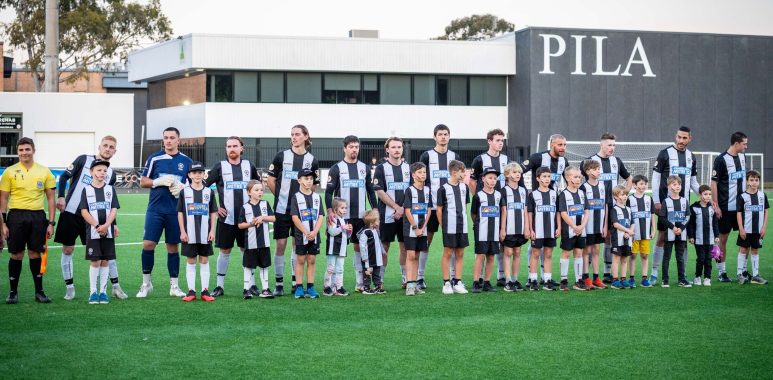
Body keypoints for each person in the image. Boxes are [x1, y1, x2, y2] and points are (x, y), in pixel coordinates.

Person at [55, 136, 127, 300]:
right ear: (99, 147)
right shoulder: (83, 160)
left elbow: (110, 202)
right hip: (72, 213)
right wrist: (60, 197)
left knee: (105, 253)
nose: (107, 149)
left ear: (114, 151)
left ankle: (115, 287)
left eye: (111, 147)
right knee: (67, 249)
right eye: (105, 145)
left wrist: (113, 224)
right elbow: (64, 177)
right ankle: (70, 288)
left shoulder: (111, 174)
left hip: (96, 220)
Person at [136, 127, 192, 298]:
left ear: (178, 140)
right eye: (165, 137)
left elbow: (193, 186)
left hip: (176, 211)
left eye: (171, 137)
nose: (168, 140)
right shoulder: (154, 158)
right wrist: (158, 181)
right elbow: (143, 181)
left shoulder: (187, 161)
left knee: (173, 247)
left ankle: (174, 286)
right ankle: (146, 283)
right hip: (155, 209)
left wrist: (183, 188)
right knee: (148, 244)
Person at [1, 137, 57, 304]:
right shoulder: (9, 172)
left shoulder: (45, 171)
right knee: (16, 254)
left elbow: (51, 199)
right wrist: (3, 223)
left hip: (37, 217)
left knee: (35, 253)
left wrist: (51, 223)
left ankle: (39, 292)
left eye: (27, 149)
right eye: (21, 150)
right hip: (16, 217)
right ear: (17, 152)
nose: (24, 153)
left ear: (33, 150)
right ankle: (12, 292)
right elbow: (3, 199)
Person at [266, 125, 319, 296]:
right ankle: (279, 283)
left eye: (297, 134)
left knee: (298, 246)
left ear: (305, 137)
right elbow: (271, 181)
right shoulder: (281, 156)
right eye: (292, 135)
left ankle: (296, 282)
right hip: (282, 210)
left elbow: (314, 186)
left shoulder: (312, 160)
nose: (294, 137)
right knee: (281, 245)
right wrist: (281, 197)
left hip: (302, 212)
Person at [205, 136, 259, 297]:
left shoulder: (249, 166)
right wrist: (215, 207)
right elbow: (205, 188)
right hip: (226, 218)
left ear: (242, 148)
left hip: (247, 219)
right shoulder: (219, 167)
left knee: (247, 250)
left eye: (235, 146)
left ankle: (251, 285)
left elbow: (257, 188)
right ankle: (220, 286)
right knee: (225, 250)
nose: (232, 149)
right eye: (229, 146)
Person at [325, 135, 377, 292]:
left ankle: (360, 283)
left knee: (359, 248)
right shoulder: (336, 168)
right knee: (336, 250)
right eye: (351, 147)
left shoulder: (364, 168)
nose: (354, 149)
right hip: (341, 217)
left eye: (356, 147)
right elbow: (328, 192)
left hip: (360, 216)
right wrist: (329, 210)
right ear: (345, 148)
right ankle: (332, 284)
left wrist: (374, 209)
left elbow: (370, 191)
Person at [650, 126, 700, 285]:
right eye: (679, 137)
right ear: (675, 136)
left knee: (683, 240)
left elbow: (693, 182)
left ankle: (682, 275)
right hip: (666, 205)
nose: (681, 140)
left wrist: (703, 195)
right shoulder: (665, 153)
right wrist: (657, 200)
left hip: (683, 206)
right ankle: (654, 272)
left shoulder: (691, 156)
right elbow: (656, 179)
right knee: (662, 238)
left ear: (689, 139)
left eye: (685, 138)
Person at [580, 133, 632, 283]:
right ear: (601, 145)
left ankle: (607, 272)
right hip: (595, 207)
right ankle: (586, 273)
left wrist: (623, 194)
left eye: (614, 145)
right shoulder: (590, 161)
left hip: (613, 207)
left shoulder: (617, 161)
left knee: (610, 237)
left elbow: (628, 178)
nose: (612, 148)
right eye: (609, 145)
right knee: (592, 239)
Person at [522, 134, 569, 283]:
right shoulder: (537, 157)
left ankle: (545, 277)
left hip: (552, 205)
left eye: (564, 145)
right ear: (552, 145)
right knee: (535, 244)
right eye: (560, 145)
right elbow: (519, 171)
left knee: (547, 246)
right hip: (537, 206)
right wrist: (525, 190)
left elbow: (569, 178)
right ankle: (532, 277)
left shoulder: (564, 161)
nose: (563, 148)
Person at [417, 124, 459, 289]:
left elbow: (459, 180)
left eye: (446, 134)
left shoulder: (454, 156)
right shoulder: (427, 155)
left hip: (451, 208)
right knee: (426, 241)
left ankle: (455, 277)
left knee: (453, 243)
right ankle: (420, 277)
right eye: (440, 134)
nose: (443, 137)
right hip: (432, 207)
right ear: (434, 137)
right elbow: (420, 178)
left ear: (449, 136)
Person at [470, 129, 510, 286]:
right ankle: (478, 278)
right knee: (481, 246)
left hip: (500, 205)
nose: (500, 143)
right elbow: (472, 181)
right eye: (497, 140)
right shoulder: (480, 159)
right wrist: (480, 198)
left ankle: (499, 276)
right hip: (485, 208)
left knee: (500, 241)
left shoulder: (506, 159)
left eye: (502, 140)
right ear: (489, 141)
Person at [78, 160, 119, 304]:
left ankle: (103, 292)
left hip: (107, 231)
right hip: (93, 232)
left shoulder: (110, 189)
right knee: (95, 261)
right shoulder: (86, 190)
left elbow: (114, 209)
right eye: (99, 170)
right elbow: (84, 211)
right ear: (91, 172)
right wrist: (97, 226)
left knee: (105, 260)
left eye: (104, 171)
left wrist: (107, 225)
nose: (102, 173)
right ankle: (93, 292)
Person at [177, 162, 217, 302]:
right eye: (194, 173)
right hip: (189, 234)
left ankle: (205, 290)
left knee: (204, 260)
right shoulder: (184, 192)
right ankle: (191, 291)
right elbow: (180, 213)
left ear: (203, 174)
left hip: (205, 233)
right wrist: (182, 231)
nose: (197, 175)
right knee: (191, 260)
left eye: (200, 172)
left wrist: (212, 230)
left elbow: (213, 212)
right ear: (189, 175)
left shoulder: (209, 192)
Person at [373, 137, 410, 288]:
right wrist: (397, 207)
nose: (397, 150)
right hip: (387, 214)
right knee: (384, 247)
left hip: (405, 215)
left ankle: (405, 277)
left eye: (399, 147)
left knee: (405, 247)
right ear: (387, 150)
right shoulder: (381, 168)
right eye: (393, 147)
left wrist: (402, 209)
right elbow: (380, 192)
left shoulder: (408, 168)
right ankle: (380, 279)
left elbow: (412, 191)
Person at [711, 131, 748, 282]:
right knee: (721, 240)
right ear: (736, 143)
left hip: (742, 208)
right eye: (744, 143)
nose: (746, 146)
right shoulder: (721, 160)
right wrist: (716, 205)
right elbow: (714, 183)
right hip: (725, 208)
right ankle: (721, 272)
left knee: (746, 238)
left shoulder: (742, 157)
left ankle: (743, 272)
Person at [237, 180, 276, 299]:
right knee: (249, 266)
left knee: (264, 266)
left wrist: (263, 218)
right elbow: (240, 225)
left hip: (264, 242)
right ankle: (246, 290)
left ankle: (265, 289)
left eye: (261, 190)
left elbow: (274, 218)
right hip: (251, 243)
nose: (260, 192)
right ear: (249, 192)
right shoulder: (245, 207)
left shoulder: (265, 204)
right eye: (256, 190)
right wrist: (251, 223)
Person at [436, 160, 470, 295]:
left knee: (460, 253)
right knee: (448, 253)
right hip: (449, 226)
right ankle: (446, 282)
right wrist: (443, 225)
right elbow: (439, 210)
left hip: (462, 226)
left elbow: (464, 206)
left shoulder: (465, 187)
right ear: (454, 172)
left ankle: (457, 281)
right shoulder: (443, 188)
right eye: (463, 172)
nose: (464, 174)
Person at [292, 168, 325, 299]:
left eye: (311, 179)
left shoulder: (317, 197)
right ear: (299, 180)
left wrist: (315, 231)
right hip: (302, 236)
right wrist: (306, 232)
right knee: (300, 260)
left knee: (311, 260)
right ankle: (299, 287)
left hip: (314, 235)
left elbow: (321, 216)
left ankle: (310, 287)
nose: (309, 181)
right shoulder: (296, 197)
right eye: (306, 178)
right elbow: (295, 217)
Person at [526, 167, 560, 291]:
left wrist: (559, 227)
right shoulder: (533, 194)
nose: (547, 179)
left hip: (551, 230)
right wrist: (531, 229)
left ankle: (547, 280)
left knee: (548, 254)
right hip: (537, 230)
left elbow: (557, 212)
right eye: (544, 176)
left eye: (548, 176)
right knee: (535, 254)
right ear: (538, 178)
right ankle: (533, 280)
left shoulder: (553, 193)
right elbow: (530, 213)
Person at [471, 167, 504, 293]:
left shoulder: (498, 195)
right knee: (480, 256)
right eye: (490, 178)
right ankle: (476, 281)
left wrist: (502, 229)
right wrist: (478, 225)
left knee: (491, 256)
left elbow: (502, 211)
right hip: (481, 231)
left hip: (494, 231)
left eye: (495, 178)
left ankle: (487, 282)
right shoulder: (478, 196)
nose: (493, 181)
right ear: (483, 179)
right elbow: (473, 214)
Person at [557, 166, 589, 291]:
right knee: (566, 253)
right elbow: (563, 213)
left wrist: (582, 226)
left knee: (579, 253)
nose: (578, 179)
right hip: (569, 230)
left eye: (579, 177)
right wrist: (574, 226)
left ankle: (578, 280)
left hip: (581, 229)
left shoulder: (582, 193)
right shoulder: (564, 194)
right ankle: (563, 280)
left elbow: (586, 211)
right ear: (568, 178)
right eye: (575, 177)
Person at [500, 163, 530, 292]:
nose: (517, 174)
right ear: (507, 175)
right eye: (514, 172)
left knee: (517, 252)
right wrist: (502, 229)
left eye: (519, 172)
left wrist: (527, 228)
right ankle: (507, 281)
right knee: (508, 252)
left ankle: (515, 279)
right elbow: (504, 211)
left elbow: (525, 210)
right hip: (509, 228)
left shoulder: (523, 190)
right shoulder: (503, 191)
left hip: (521, 227)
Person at [403, 162, 431, 296]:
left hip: (422, 229)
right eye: (420, 172)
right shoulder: (409, 190)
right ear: (413, 175)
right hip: (411, 229)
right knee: (411, 255)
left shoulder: (427, 190)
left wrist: (423, 227)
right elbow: (407, 211)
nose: (423, 175)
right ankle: (409, 285)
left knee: (418, 255)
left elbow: (429, 210)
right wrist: (415, 227)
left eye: (424, 172)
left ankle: (414, 285)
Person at [736, 170, 768, 285]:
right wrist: (741, 228)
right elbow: (739, 213)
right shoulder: (742, 196)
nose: (754, 183)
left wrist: (764, 227)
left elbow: (765, 212)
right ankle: (740, 274)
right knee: (743, 249)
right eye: (751, 180)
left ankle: (755, 275)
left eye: (756, 180)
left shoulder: (762, 195)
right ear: (747, 181)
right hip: (746, 229)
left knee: (755, 250)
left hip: (758, 230)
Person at [659, 175, 691, 288]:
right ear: (669, 186)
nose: (677, 187)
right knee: (667, 257)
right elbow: (662, 218)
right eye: (674, 184)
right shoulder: (666, 201)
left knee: (680, 257)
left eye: (678, 184)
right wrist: (673, 228)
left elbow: (687, 216)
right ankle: (665, 279)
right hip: (669, 234)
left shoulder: (684, 201)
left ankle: (682, 279)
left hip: (681, 234)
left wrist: (681, 228)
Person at [580, 159, 608, 290]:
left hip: (599, 225)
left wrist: (605, 225)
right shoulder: (583, 187)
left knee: (596, 250)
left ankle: (596, 277)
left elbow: (605, 205)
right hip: (588, 225)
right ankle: (586, 277)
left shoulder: (603, 186)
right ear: (587, 171)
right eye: (595, 169)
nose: (598, 171)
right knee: (587, 251)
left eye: (599, 169)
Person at [627, 175, 656, 288]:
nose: (643, 186)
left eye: (645, 184)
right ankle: (631, 278)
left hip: (646, 234)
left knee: (644, 255)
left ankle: (644, 279)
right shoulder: (630, 199)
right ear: (635, 185)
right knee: (633, 255)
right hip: (634, 234)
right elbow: (628, 215)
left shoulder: (649, 198)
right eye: (641, 184)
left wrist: (653, 230)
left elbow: (652, 215)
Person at [688, 185, 720, 286]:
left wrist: (717, 235)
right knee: (701, 258)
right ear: (699, 195)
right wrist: (691, 236)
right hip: (698, 239)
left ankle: (707, 278)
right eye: (705, 194)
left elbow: (715, 223)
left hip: (710, 239)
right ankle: (697, 277)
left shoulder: (712, 208)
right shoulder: (693, 208)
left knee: (708, 259)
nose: (708, 196)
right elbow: (691, 224)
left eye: (710, 194)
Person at [323, 198, 351, 296]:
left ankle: (338, 287)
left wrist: (349, 232)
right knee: (330, 268)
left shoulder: (344, 220)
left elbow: (346, 236)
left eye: (345, 208)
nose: (344, 210)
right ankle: (327, 287)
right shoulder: (332, 219)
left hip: (342, 248)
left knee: (340, 269)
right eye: (342, 208)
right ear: (335, 209)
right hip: (332, 248)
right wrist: (342, 228)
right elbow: (332, 232)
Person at [609, 185, 634, 289]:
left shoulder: (628, 209)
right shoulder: (614, 209)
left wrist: (630, 231)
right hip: (617, 239)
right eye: (622, 194)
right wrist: (627, 230)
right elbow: (616, 224)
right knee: (616, 259)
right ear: (615, 196)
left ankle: (623, 279)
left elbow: (632, 222)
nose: (625, 197)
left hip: (627, 239)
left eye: (626, 194)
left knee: (624, 259)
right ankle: (615, 280)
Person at [358, 209, 386, 295]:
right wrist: (364, 257)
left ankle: (377, 286)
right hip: (369, 258)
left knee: (377, 272)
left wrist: (383, 251)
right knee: (367, 272)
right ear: (371, 223)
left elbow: (378, 242)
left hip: (377, 257)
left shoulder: (375, 231)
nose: (379, 221)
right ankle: (366, 288)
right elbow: (362, 246)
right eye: (377, 220)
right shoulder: (365, 233)